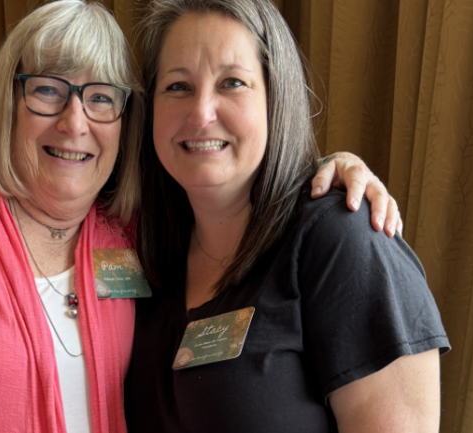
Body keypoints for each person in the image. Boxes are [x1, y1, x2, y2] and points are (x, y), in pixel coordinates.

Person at [0, 1, 399, 432]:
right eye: (48, 91)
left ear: (125, 121)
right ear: (9, 103)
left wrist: (329, 167)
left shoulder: (131, 230)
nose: (74, 122)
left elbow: (230, 184)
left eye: (100, 98)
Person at [124, 1, 450, 432]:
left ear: (276, 98)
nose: (201, 112)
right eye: (178, 86)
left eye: (232, 82)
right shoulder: (145, 248)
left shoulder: (342, 237)